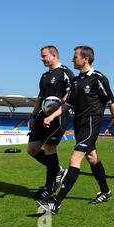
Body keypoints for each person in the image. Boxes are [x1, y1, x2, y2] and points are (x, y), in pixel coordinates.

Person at [37, 46, 114, 214]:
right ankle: (106, 192)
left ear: (85, 59)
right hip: (78, 123)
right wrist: (51, 116)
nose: (72, 59)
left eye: (75, 57)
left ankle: (56, 202)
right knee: (92, 158)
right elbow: (67, 105)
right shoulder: (75, 81)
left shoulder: (99, 78)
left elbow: (111, 102)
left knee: (75, 159)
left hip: (92, 123)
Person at [27, 45, 74, 201]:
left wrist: (58, 106)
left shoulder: (65, 72)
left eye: (44, 56)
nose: (41, 58)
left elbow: (71, 93)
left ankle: (48, 188)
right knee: (32, 149)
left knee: (49, 147)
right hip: (41, 116)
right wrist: (33, 116)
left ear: (54, 55)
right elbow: (40, 98)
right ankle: (58, 170)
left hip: (58, 116)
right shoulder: (44, 76)